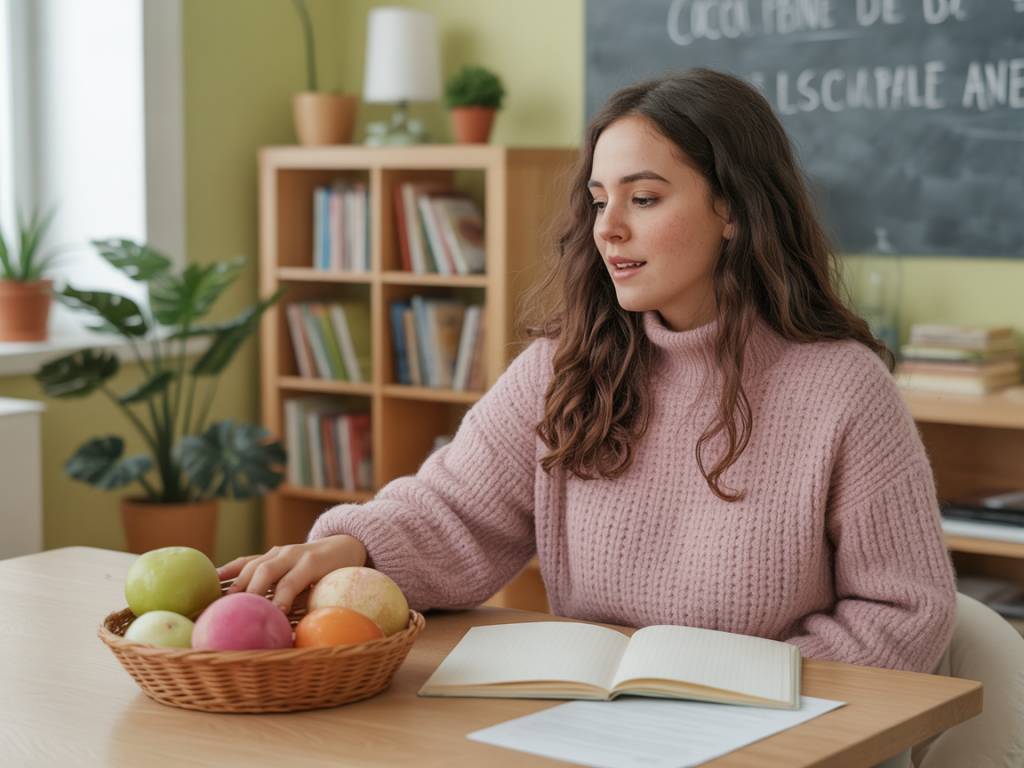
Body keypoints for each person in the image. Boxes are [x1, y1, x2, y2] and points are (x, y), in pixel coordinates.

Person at [220, 69, 965, 764]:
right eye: (600, 200)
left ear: (733, 210)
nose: (608, 228)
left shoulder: (843, 388)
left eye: (644, 199)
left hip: (779, 738)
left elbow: (904, 611)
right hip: (596, 729)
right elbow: (455, 512)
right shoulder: (563, 367)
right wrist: (355, 543)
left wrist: (746, 695)